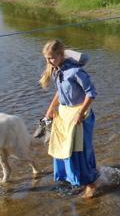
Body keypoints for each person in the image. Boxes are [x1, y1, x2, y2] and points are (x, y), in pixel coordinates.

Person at [40, 39, 99, 198]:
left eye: (51, 57)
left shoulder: (75, 72)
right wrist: (50, 110)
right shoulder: (56, 70)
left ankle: (91, 183)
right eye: (46, 58)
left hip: (80, 115)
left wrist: (80, 113)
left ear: (60, 55)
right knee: (64, 149)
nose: (49, 61)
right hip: (65, 114)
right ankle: (76, 179)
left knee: (81, 150)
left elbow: (91, 93)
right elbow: (60, 92)